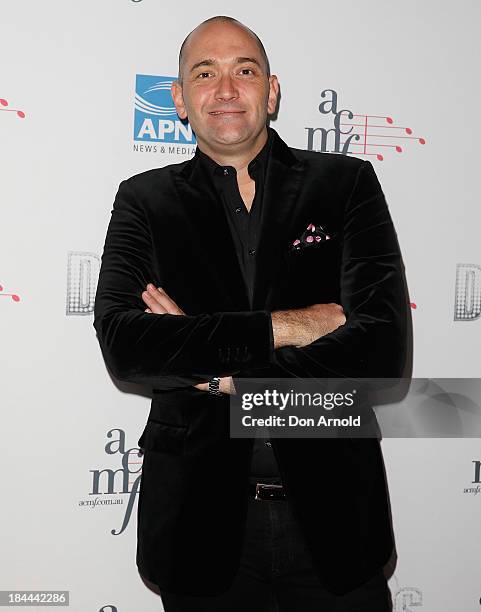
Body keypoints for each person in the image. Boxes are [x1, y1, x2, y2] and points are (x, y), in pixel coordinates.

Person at [93, 15, 408, 612]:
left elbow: (383, 347)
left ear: (272, 90)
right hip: (198, 524)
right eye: (205, 73)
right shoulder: (143, 200)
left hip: (336, 517)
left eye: (246, 70)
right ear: (180, 101)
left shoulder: (346, 185)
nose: (227, 89)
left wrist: (222, 376)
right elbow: (126, 344)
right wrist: (287, 327)